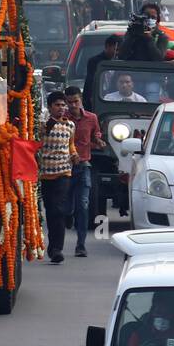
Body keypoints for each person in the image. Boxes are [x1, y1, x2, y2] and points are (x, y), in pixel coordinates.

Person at [38, 91, 79, 263]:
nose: (61, 108)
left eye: (63, 105)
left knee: (58, 210)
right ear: (50, 107)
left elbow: (71, 145)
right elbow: (39, 139)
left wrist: (75, 155)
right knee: (51, 211)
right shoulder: (43, 125)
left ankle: (57, 249)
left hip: (64, 172)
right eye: (57, 105)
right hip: (46, 174)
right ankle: (52, 246)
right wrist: (49, 123)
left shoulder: (70, 125)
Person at [64, 87, 104, 258]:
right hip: (64, 168)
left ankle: (81, 245)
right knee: (66, 207)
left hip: (83, 166)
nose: (73, 105)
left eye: (76, 101)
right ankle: (68, 215)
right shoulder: (62, 118)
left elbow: (96, 136)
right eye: (70, 102)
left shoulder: (91, 118)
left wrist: (98, 142)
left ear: (81, 100)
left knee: (83, 205)